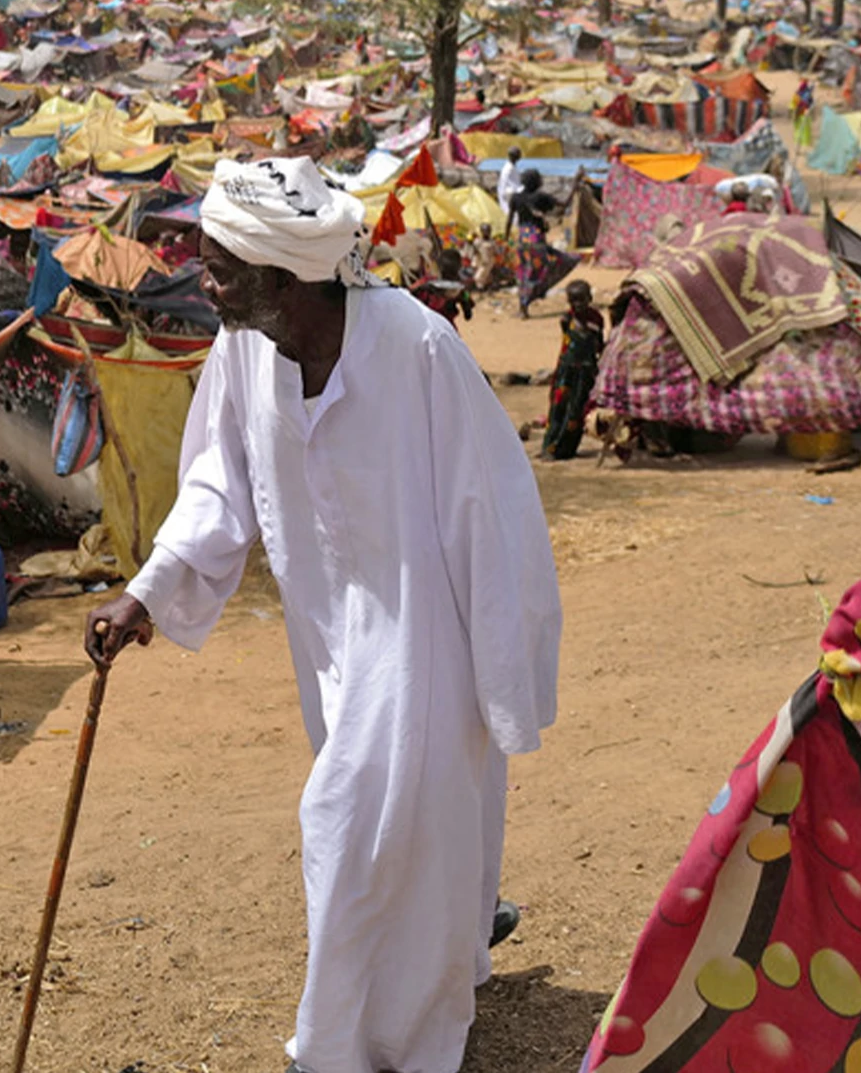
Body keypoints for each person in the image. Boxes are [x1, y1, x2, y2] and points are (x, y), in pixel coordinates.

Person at [84, 156, 561, 1073]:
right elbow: (217, 482)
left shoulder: (417, 348)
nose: (206, 287)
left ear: (283, 277)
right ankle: (454, 948)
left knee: (347, 822)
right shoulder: (242, 350)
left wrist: (504, 670)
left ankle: (338, 1048)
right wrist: (149, 587)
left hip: (428, 634)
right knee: (414, 834)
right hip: (327, 638)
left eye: (221, 271)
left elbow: (490, 511)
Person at [542, 279, 604, 461]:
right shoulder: (566, 319)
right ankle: (550, 447)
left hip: (585, 372)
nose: (577, 304)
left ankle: (567, 449)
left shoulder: (596, 319)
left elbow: (598, 344)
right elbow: (568, 342)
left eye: (581, 299)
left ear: (590, 298)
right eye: (573, 300)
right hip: (566, 370)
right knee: (558, 409)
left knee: (576, 411)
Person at [509, 170, 573, 318]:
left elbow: (510, 220)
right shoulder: (540, 197)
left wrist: (507, 239)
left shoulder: (516, 197)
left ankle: (523, 308)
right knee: (549, 266)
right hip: (536, 239)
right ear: (537, 182)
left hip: (522, 239)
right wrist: (575, 183)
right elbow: (564, 204)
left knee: (523, 273)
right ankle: (537, 292)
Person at [411, 247, 475, 328]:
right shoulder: (460, 289)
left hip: (427, 326)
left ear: (439, 267)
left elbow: (408, 294)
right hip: (447, 328)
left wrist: (422, 288)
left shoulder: (426, 282)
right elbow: (468, 316)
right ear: (459, 268)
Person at [496, 145, 525, 230]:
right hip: (509, 195)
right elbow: (508, 184)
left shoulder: (511, 167)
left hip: (510, 193)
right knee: (513, 216)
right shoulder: (509, 169)